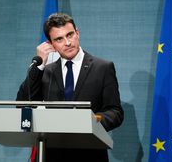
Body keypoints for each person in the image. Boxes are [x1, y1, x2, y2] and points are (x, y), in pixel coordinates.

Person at [17, 13, 123, 162]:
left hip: (90, 153)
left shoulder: (102, 68)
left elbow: (116, 112)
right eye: (59, 39)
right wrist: (39, 66)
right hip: (53, 153)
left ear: (77, 33)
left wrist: (94, 120)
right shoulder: (46, 72)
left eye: (70, 35)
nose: (67, 42)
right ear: (51, 44)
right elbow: (23, 103)